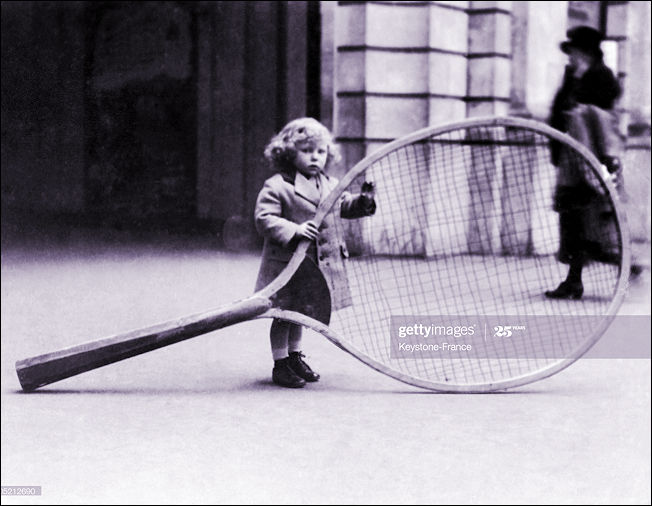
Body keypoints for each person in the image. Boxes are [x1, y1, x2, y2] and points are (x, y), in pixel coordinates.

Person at [254, 118, 376, 388]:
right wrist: (295, 229)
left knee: (302, 313)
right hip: (287, 265)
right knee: (283, 314)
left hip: (316, 267)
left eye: (320, 152)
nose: (315, 157)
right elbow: (264, 219)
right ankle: (280, 363)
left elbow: (344, 206)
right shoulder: (278, 186)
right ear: (288, 152)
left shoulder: (330, 184)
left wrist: (364, 202)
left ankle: (295, 356)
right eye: (306, 151)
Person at [546, 25, 623, 300]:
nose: (570, 57)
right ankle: (573, 280)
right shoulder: (573, 77)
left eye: (574, 51)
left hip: (593, 160)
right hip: (571, 162)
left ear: (586, 52)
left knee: (598, 222)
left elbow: (601, 122)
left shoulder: (602, 79)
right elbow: (557, 113)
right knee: (572, 219)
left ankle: (628, 269)